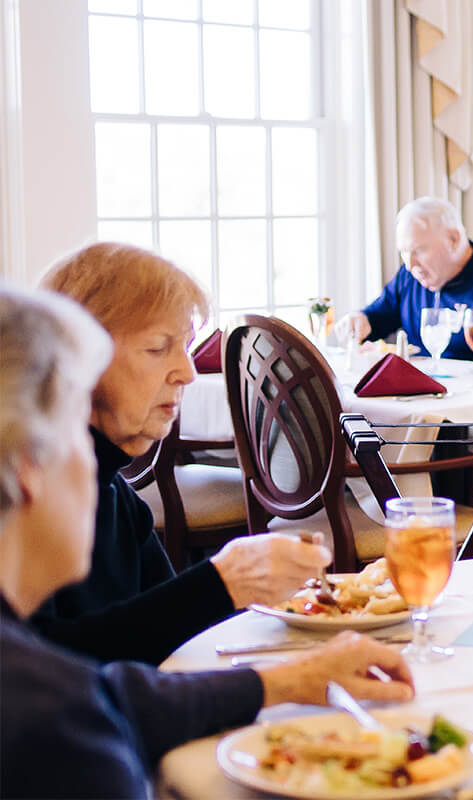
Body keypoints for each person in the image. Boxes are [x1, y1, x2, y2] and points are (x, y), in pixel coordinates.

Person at [0, 285, 414, 799]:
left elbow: (118, 689)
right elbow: (88, 694)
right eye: (75, 435)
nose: (187, 370)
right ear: (27, 471)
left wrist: (284, 680)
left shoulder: (42, 681)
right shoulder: (57, 729)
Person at [29, 243, 341, 665]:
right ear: (77, 357)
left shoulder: (115, 494)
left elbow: (165, 637)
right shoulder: (22, 494)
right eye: (158, 347)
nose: (188, 371)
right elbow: (41, 673)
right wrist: (221, 582)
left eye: (186, 345)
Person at [336, 197, 473, 362]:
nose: (410, 264)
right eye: (404, 253)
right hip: (417, 397)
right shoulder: (409, 276)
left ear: (454, 239)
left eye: (419, 250)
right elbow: (379, 317)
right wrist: (361, 320)